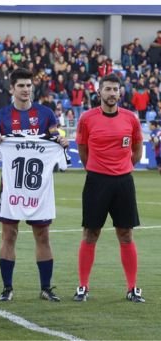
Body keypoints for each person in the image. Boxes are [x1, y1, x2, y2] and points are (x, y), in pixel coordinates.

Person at [0, 68, 68, 302]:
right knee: (9, 235)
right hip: (10, 187)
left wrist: (60, 140)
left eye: (29, 85)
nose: (26, 89)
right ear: (12, 89)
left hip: (39, 189)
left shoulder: (45, 114)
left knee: (43, 235)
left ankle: (46, 288)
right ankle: (7, 288)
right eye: (21, 85)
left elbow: (53, 136)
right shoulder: (1, 117)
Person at [74, 73, 145, 303]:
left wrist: (123, 167)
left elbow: (137, 149)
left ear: (120, 92)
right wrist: (96, 168)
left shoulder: (131, 119)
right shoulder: (87, 118)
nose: (112, 93)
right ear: (99, 92)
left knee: (125, 234)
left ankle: (132, 288)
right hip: (96, 181)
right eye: (108, 89)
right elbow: (83, 150)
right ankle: (83, 287)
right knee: (91, 233)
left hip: (124, 182)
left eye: (115, 89)